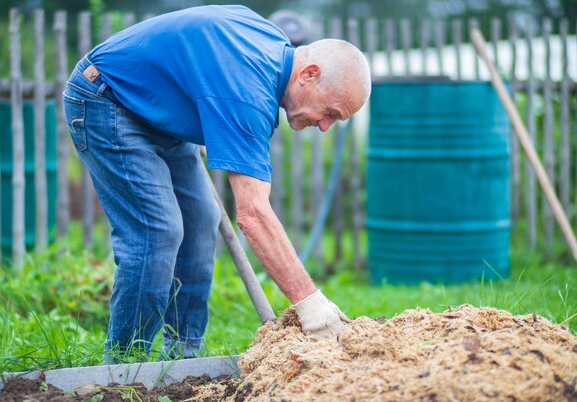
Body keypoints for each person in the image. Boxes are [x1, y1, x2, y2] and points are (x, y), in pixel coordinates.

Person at [63, 4, 371, 362]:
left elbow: (208, 56)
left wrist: (212, 120)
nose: (324, 126)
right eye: (330, 112)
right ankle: (123, 365)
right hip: (108, 97)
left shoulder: (273, 54)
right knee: (157, 231)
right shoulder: (247, 95)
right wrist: (311, 304)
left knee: (201, 222)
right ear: (310, 74)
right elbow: (253, 215)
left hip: (160, 113)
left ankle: (182, 358)